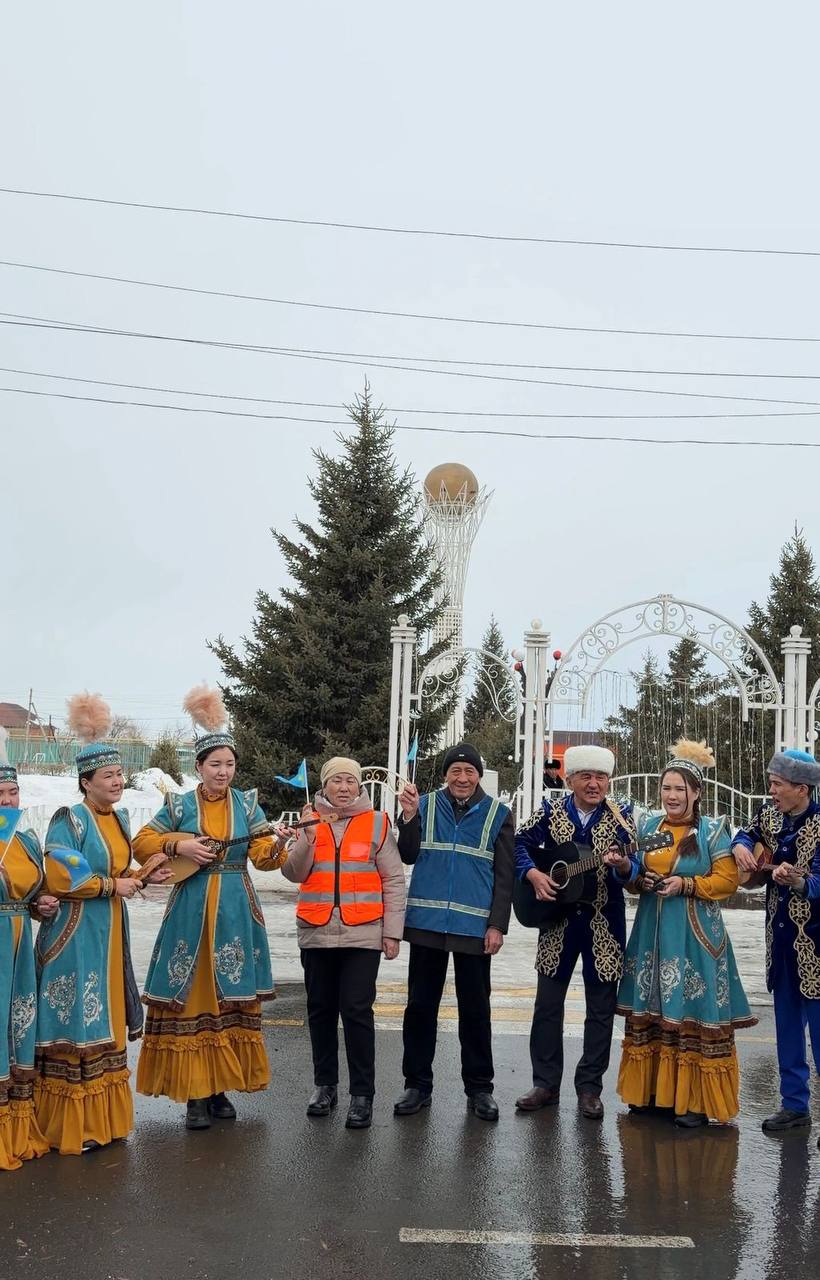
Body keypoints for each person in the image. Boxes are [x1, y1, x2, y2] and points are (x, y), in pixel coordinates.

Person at [134, 686, 285, 1130]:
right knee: (192, 1000)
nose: (224, 771)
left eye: (230, 764)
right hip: (190, 916)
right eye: (215, 764)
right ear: (198, 767)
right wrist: (180, 844)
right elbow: (143, 841)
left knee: (226, 1003)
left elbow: (260, 854)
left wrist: (278, 846)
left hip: (237, 913)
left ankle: (219, 1089)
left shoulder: (248, 803)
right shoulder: (179, 804)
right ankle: (194, 1095)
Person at [35, 694, 168, 1155]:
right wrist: (116, 886)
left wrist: (143, 875)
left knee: (105, 1019)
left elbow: (117, 872)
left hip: (109, 932)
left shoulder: (120, 819)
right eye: (108, 776)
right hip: (74, 933)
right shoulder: (68, 818)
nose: (118, 782)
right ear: (85, 782)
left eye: (119, 775)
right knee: (79, 1019)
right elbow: (62, 874)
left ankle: (105, 1122)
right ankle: (73, 1125)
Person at [610, 740, 756, 1127]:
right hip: (653, 933)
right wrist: (627, 868)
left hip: (695, 936)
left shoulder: (712, 831)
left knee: (691, 1010)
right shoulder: (649, 827)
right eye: (666, 788)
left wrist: (685, 885)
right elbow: (636, 879)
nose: (671, 795)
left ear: (696, 793)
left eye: (679, 789)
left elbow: (726, 881)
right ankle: (653, 1095)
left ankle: (694, 1102)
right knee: (654, 1010)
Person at [279, 757, 406, 1129]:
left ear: (360, 785)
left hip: (362, 933)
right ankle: (325, 1086)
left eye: (351, 780)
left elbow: (394, 881)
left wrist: (392, 933)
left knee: (356, 1011)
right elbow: (293, 872)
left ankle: (362, 1095)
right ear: (325, 786)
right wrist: (306, 837)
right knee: (319, 1012)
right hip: (316, 932)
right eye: (337, 781)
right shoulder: (310, 820)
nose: (345, 787)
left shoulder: (377, 823)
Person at [394, 742, 514, 1122]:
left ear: (479, 775)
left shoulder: (498, 813)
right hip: (427, 925)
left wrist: (497, 924)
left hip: (473, 928)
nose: (462, 778)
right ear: (445, 774)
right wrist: (408, 817)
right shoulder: (424, 805)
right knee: (419, 1009)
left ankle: (480, 1089)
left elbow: (505, 876)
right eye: (455, 771)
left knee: (476, 1011)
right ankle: (416, 1085)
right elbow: (408, 854)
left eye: (469, 772)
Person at [514, 745, 634, 1119]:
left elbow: (635, 869)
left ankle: (589, 1088)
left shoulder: (623, 818)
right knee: (547, 1005)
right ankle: (545, 1083)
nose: (594, 784)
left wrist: (622, 864)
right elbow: (518, 843)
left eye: (601, 777)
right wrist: (532, 874)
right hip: (557, 921)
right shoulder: (550, 812)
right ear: (570, 780)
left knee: (600, 1009)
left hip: (604, 922)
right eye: (586, 776)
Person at [732, 748, 820, 1139]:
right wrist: (739, 844)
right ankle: (795, 1106)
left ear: (802, 789)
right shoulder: (771, 817)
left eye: (777, 785)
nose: (771, 791)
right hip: (781, 945)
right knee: (786, 1028)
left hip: (816, 950)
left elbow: (816, 883)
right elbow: (746, 832)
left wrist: (800, 882)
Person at [0, 736, 57, 1170]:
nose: (7, 799)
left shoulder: (25, 841)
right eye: (0, 793)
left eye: (13, 791)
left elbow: (32, 895)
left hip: (19, 945)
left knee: (16, 1026)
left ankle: (15, 1130)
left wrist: (41, 905)